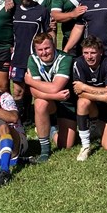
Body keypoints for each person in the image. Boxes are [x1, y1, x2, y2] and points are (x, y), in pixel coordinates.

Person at [24, 33, 76, 162]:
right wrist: (55, 96)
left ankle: (52, 129)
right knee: (40, 103)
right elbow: (34, 93)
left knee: (66, 145)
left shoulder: (65, 58)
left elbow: (55, 87)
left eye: (47, 48)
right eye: (40, 50)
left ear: (53, 45)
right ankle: (45, 150)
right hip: (54, 100)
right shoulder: (33, 59)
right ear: (35, 50)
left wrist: (31, 81)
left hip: (67, 103)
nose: (44, 53)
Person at [72, 36, 107, 161]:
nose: (89, 57)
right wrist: (102, 96)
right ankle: (85, 146)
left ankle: (98, 126)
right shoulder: (78, 63)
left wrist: (84, 87)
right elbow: (79, 93)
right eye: (86, 53)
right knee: (82, 102)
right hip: (93, 104)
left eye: (93, 53)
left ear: (101, 52)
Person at [10, 0, 52, 122]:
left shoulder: (42, 11)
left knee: (34, 90)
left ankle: (33, 117)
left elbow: (49, 33)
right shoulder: (13, 10)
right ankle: (19, 119)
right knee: (17, 90)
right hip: (17, 57)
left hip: (35, 58)